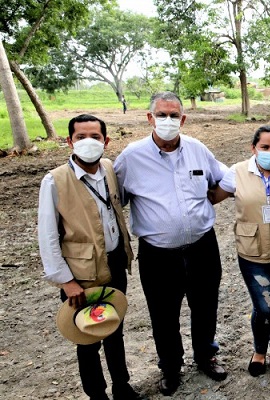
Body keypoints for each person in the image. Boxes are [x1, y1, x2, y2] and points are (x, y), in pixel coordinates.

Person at [114, 91, 229, 396]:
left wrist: (210, 201)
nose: (168, 121)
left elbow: (225, 180)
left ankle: (206, 356)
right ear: (149, 118)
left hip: (203, 246)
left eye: (174, 115)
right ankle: (170, 367)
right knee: (163, 314)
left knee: (205, 306)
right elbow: (116, 202)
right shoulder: (131, 157)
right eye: (161, 115)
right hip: (157, 255)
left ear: (183, 118)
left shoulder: (197, 150)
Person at [38, 114, 144, 400]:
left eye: (95, 137)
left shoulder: (108, 168)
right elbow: (47, 237)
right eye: (80, 137)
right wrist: (66, 282)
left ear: (105, 141)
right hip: (80, 274)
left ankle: (122, 386)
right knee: (87, 338)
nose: (88, 142)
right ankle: (97, 394)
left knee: (113, 328)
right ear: (69, 141)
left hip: (113, 263)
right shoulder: (55, 181)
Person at [208, 125, 270, 377]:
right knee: (265, 306)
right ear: (253, 148)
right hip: (252, 254)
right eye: (264, 147)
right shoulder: (237, 173)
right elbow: (211, 197)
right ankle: (259, 351)